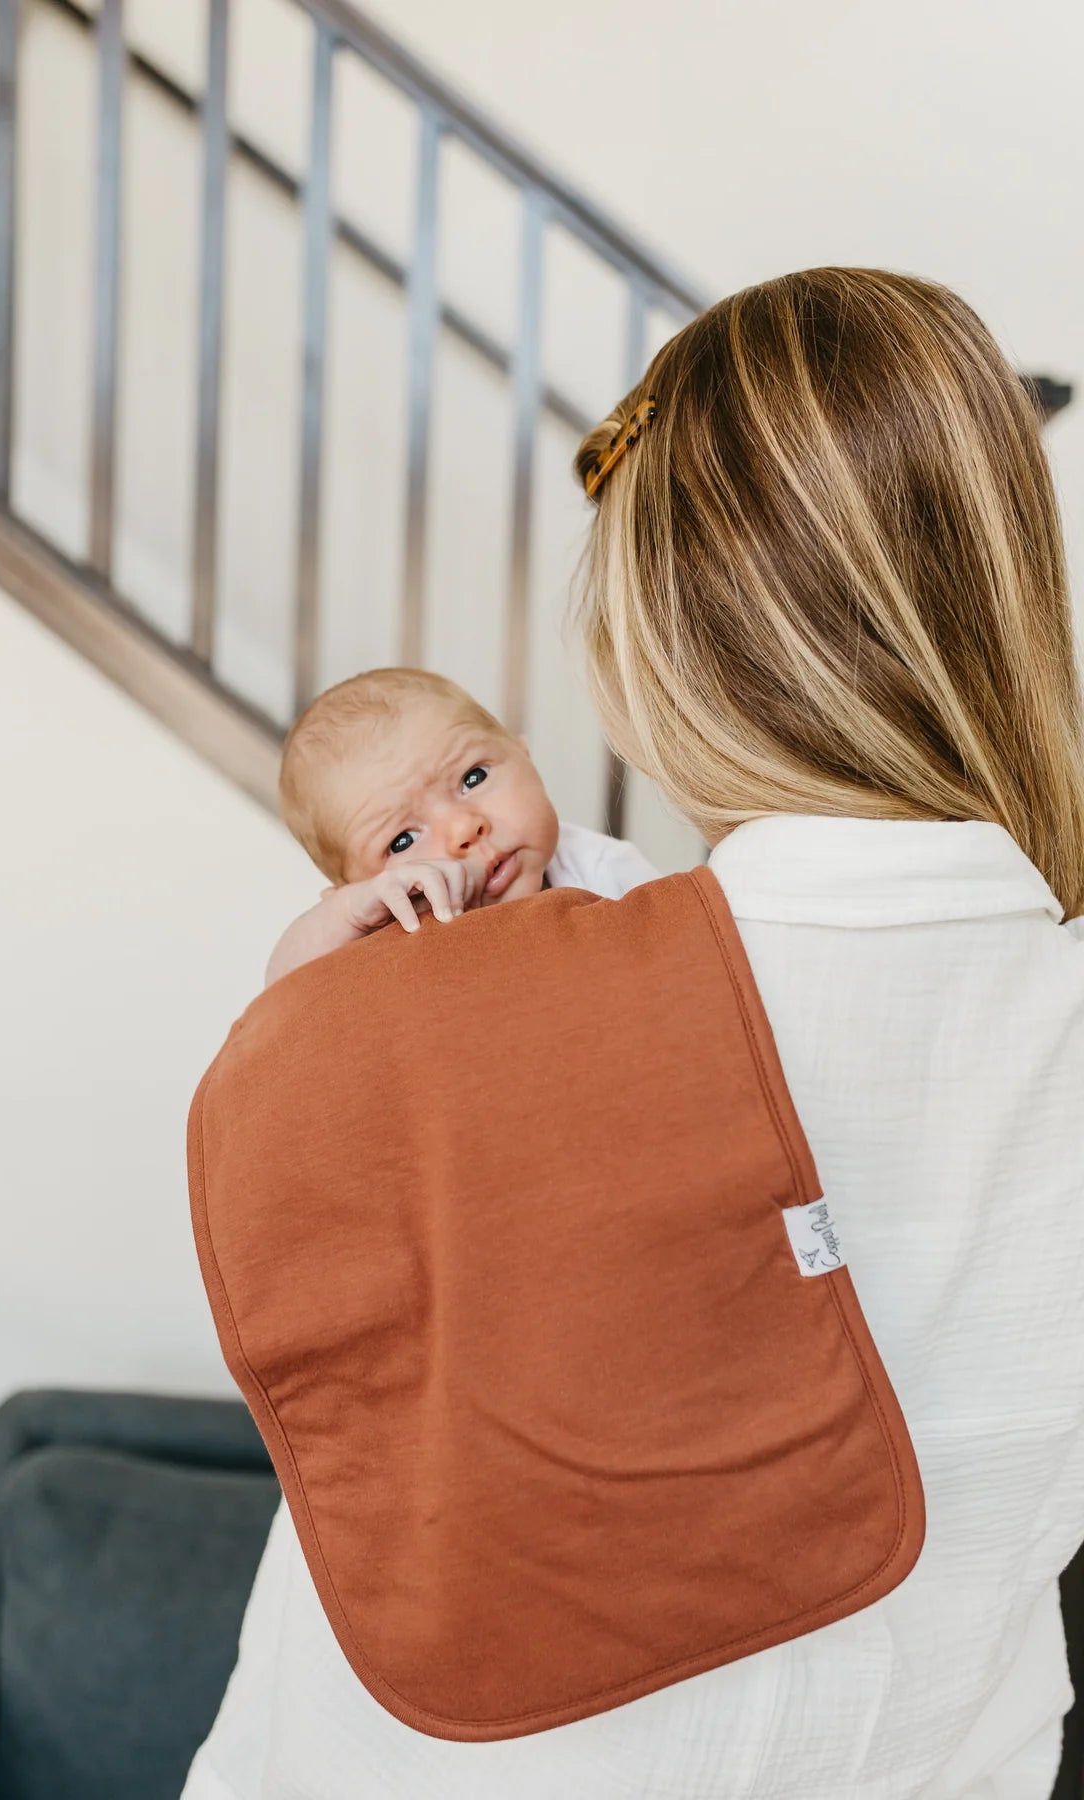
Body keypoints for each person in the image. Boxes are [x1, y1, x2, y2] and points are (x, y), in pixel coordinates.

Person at [182, 267, 1084, 1799]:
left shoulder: (434, 1040)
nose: (454, 839)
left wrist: (304, 1034)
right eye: (396, 835)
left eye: (470, 780)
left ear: (651, 658)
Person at [263, 666, 661, 985]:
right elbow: (283, 997)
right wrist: (348, 917)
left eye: (473, 778)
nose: (464, 830)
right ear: (355, 891)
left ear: (524, 756)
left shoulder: (606, 873)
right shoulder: (388, 926)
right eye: (402, 840)